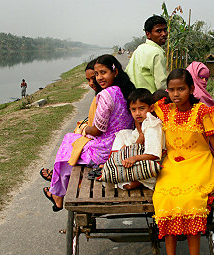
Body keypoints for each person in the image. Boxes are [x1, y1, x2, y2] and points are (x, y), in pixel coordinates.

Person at [153, 68, 214, 255]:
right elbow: (139, 110)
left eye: (181, 89)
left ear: (191, 89)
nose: (175, 94)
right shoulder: (164, 110)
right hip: (172, 164)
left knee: (191, 199)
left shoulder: (203, 113)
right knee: (164, 198)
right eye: (171, 90)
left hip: (199, 163)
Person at [41, 54, 135, 212]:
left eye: (103, 72)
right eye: (97, 74)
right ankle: (57, 186)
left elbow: (97, 130)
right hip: (122, 145)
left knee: (69, 140)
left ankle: (57, 193)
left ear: (115, 72)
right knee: (74, 144)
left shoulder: (106, 95)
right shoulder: (124, 90)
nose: (99, 78)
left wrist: (85, 129)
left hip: (105, 150)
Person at [108, 88, 165, 190]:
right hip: (141, 150)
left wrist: (133, 158)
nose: (137, 113)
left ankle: (136, 180)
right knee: (122, 134)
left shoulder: (153, 126)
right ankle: (117, 162)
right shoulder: (144, 119)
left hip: (153, 162)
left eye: (141, 108)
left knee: (125, 183)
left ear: (151, 108)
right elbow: (137, 123)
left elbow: (153, 154)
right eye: (134, 109)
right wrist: (139, 136)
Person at [125, 15, 168, 93]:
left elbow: (128, 72)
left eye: (165, 30)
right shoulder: (157, 53)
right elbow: (161, 85)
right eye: (159, 31)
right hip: (150, 99)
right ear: (148, 34)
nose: (164, 34)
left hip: (134, 98)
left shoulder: (139, 49)